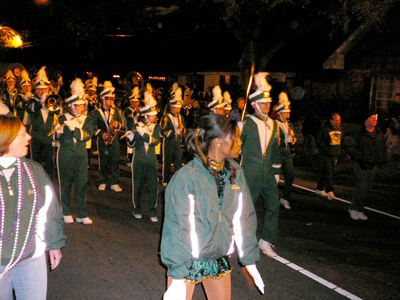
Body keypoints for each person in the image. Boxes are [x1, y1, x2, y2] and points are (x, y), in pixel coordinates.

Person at [161, 114, 264, 300]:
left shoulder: (236, 173)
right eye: (236, 137)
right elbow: (177, 228)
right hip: (187, 261)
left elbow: (244, 218)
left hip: (218, 259)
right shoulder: (186, 177)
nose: (240, 142)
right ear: (217, 141)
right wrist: (177, 276)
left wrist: (249, 259)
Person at [0, 115, 65, 299]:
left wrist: (54, 244)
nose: (29, 137)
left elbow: (50, 211)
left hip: (30, 259)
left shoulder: (34, 170)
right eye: (22, 134)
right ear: (5, 138)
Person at [240, 72, 281, 258]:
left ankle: (266, 241)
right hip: (250, 172)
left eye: (268, 103)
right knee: (248, 208)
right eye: (264, 103)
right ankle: (242, 239)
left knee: (274, 206)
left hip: (267, 173)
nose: (267, 106)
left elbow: (274, 150)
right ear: (255, 105)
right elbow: (233, 149)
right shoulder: (246, 124)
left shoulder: (274, 124)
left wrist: (276, 171)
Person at [55, 79, 95, 225]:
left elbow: (87, 135)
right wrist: (58, 131)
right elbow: (54, 138)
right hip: (65, 153)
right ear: (71, 106)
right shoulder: (61, 117)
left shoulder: (88, 119)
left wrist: (74, 129)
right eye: (79, 106)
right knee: (65, 183)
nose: (82, 108)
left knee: (81, 184)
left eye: (83, 105)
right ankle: (65, 211)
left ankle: (82, 214)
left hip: (81, 155)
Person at [346, 113, 386, 220]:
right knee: (361, 186)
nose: (374, 120)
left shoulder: (378, 134)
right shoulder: (359, 134)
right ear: (365, 120)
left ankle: (359, 208)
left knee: (368, 187)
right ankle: (355, 209)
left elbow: (382, 147)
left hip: (372, 164)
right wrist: (360, 157)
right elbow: (351, 147)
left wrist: (380, 159)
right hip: (361, 164)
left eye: (375, 118)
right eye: (372, 118)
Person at [125, 104, 161, 222]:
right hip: (139, 159)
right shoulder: (136, 125)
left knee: (153, 186)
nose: (155, 117)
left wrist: (143, 134)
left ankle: (152, 211)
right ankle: (136, 209)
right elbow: (131, 145)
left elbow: (154, 142)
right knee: (137, 185)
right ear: (146, 116)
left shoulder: (156, 127)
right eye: (152, 116)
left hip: (151, 160)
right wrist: (130, 138)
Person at [26, 66, 59, 182]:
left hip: (49, 136)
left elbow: (60, 112)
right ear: (35, 90)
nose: (42, 91)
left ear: (48, 89)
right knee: (35, 161)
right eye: (39, 89)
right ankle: (34, 181)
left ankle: (49, 181)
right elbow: (29, 109)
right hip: (35, 136)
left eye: (44, 89)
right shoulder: (33, 101)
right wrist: (40, 102)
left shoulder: (53, 100)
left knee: (50, 161)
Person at [93, 81, 123, 192]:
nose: (110, 101)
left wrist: (117, 125)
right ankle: (102, 181)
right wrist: (101, 134)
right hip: (102, 140)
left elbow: (120, 124)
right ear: (103, 99)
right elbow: (93, 127)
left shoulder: (116, 112)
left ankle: (114, 182)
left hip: (114, 140)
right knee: (103, 161)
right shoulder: (96, 112)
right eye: (108, 99)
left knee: (115, 161)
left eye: (111, 99)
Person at [315, 113, 345, 200]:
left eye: (339, 120)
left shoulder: (341, 129)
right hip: (325, 155)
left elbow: (342, 141)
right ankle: (330, 190)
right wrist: (326, 150)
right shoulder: (325, 130)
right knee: (328, 173)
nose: (337, 122)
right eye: (335, 120)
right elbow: (320, 142)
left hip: (334, 155)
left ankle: (319, 188)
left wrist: (341, 151)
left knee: (328, 171)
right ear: (331, 120)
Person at [160, 90, 186, 186]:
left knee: (178, 162)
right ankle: (165, 179)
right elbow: (162, 131)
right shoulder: (166, 117)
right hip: (169, 142)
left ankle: (177, 179)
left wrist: (182, 131)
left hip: (178, 142)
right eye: (176, 108)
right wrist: (173, 132)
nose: (178, 110)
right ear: (171, 108)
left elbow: (184, 129)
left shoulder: (181, 117)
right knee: (167, 161)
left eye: (179, 108)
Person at [275, 92, 296, 209]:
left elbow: (294, 137)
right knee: (275, 179)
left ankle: (285, 198)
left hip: (287, 154)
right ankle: (272, 198)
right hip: (278, 154)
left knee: (290, 175)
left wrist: (292, 139)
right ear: (280, 113)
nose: (287, 115)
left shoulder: (289, 124)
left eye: (288, 113)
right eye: (285, 113)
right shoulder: (274, 124)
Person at [123, 87, 141, 166]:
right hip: (130, 129)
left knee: (137, 144)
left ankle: (136, 158)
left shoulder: (140, 109)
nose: (135, 104)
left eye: (136, 102)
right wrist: (136, 112)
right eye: (133, 102)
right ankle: (129, 159)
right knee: (130, 145)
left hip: (138, 129)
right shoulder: (127, 109)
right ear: (130, 102)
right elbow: (129, 117)